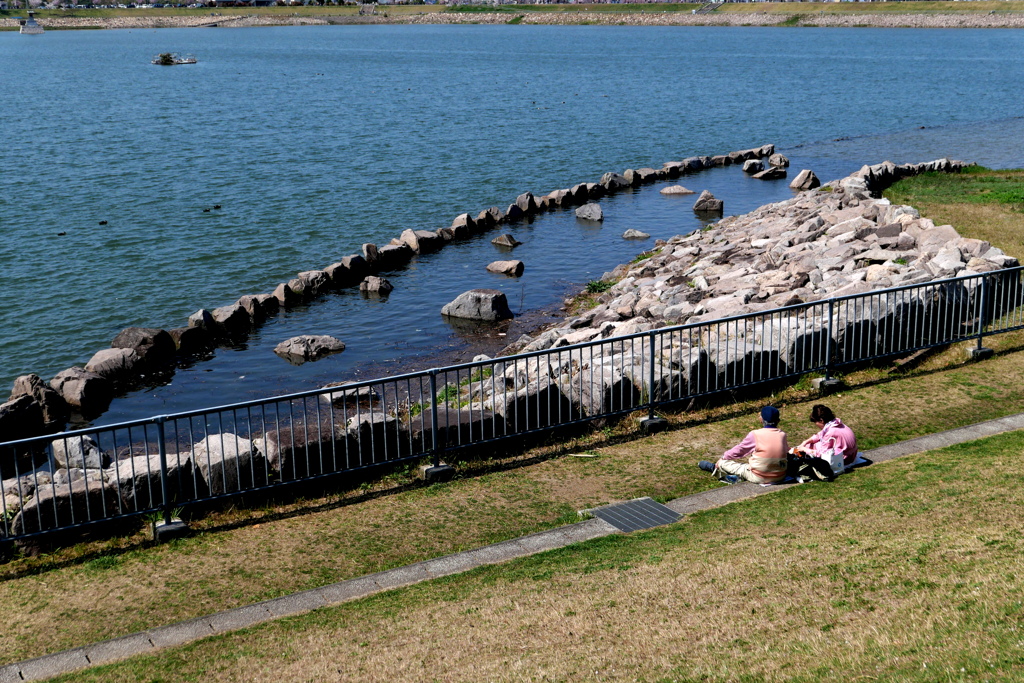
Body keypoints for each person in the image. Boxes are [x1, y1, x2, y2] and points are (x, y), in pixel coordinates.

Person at [698, 406, 789, 484]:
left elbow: (740, 450)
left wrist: (723, 457)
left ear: (761, 419)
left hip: (759, 476)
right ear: (778, 420)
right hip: (780, 476)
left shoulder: (755, 434)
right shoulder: (782, 435)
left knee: (726, 464)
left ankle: (714, 467)